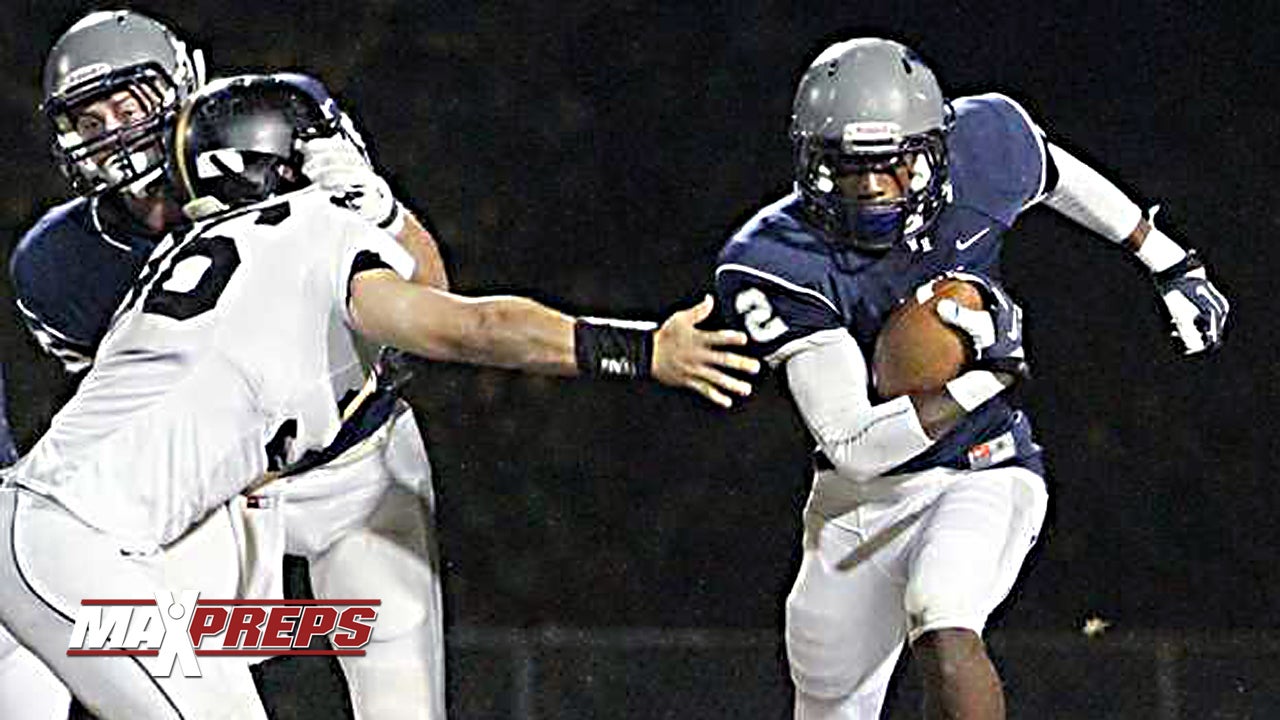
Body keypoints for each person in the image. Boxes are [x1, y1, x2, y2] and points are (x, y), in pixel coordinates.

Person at [0, 73, 758, 720]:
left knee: (244, 657)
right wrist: (642, 350)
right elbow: (473, 326)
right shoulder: (314, 236)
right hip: (76, 547)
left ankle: (306, 631)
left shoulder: (176, 262)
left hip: (63, 535)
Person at [713, 38, 1229, 719]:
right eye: (848, 166)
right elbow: (854, 446)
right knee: (828, 701)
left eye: (891, 163)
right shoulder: (775, 259)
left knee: (943, 613)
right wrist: (988, 375)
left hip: (982, 466)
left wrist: (1168, 262)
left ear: (934, 149)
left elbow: (1057, 174)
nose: (872, 187)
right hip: (857, 495)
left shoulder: (984, 147)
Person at [8, 9, 450, 719]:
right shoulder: (59, 265)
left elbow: (432, 295)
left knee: (402, 696)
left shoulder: (274, 131)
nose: (114, 133)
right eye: (90, 121)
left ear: (182, 83)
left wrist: (382, 213)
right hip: (219, 491)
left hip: (357, 457)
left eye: (128, 106)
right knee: (175, 678)